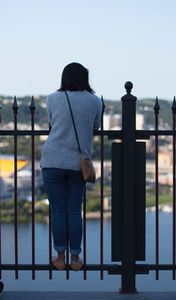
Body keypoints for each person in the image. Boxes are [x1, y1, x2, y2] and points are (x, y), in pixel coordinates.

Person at [40, 62, 102, 271]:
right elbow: (95, 126)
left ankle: (59, 258)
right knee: (74, 210)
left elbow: (52, 123)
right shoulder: (95, 101)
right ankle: (75, 260)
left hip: (52, 160)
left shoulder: (52, 98)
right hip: (79, 163)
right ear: (85, 78)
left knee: (57, 210)